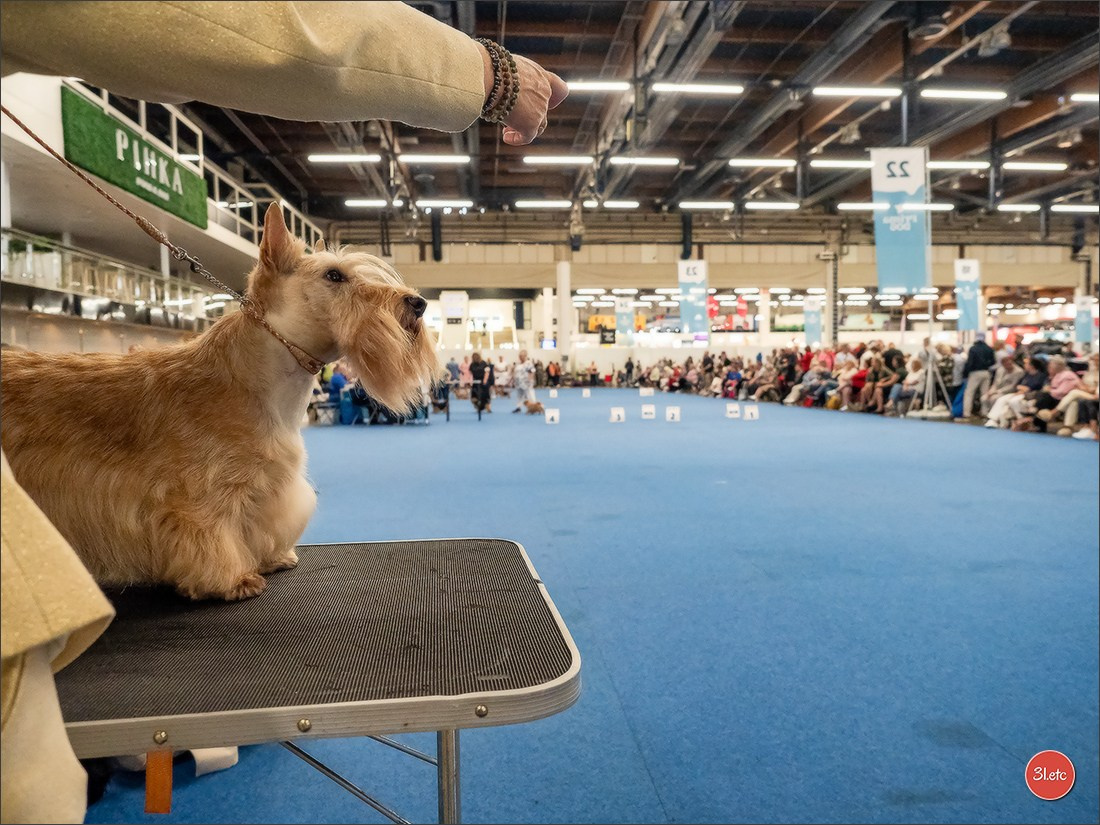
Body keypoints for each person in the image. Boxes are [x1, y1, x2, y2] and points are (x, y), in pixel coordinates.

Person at [1, 4, 571, 821]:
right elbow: (239, 26)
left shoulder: (273, 391)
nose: (386, 296)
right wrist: (483, 77)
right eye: (334, 279)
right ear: (272, 275)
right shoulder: (198, 388)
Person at [960, 333, 996, 420]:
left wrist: (965, 373)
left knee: (969, 393)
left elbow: (970, 363)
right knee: (985, 393)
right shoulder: (989, 349)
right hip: (986, 372)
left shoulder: (973, 349)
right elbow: (993, 362)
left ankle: (967, 413)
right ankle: (985, 412)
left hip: (975, 372)